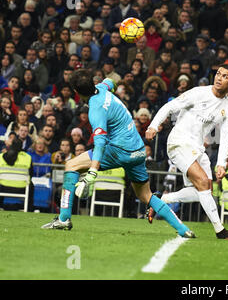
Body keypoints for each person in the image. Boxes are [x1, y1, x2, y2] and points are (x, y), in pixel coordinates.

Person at [41, 70, 195, 239]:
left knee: (71, 165)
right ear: (93, 83)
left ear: (77, 93)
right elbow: (112, 79)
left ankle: (64, 219)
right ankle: (182, 229)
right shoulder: (103, 87)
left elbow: (99, 142)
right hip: (138, 150)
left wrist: (92, 172)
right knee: (145, 195)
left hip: (119, 150)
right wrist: (111, 84)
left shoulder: (95, 109)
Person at [145, 64, 228, 240]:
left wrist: (221, 163)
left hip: (197, 148)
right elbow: (170, 107)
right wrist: (153, 125)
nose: (219, 78)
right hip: (178, 142)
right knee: (203, 182)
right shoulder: (198, 93)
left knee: (204, 192)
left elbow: (226, 136)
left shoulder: (227, 107)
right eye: (218, 74)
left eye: (225, 76)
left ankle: (162, 200)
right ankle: (220, 231)